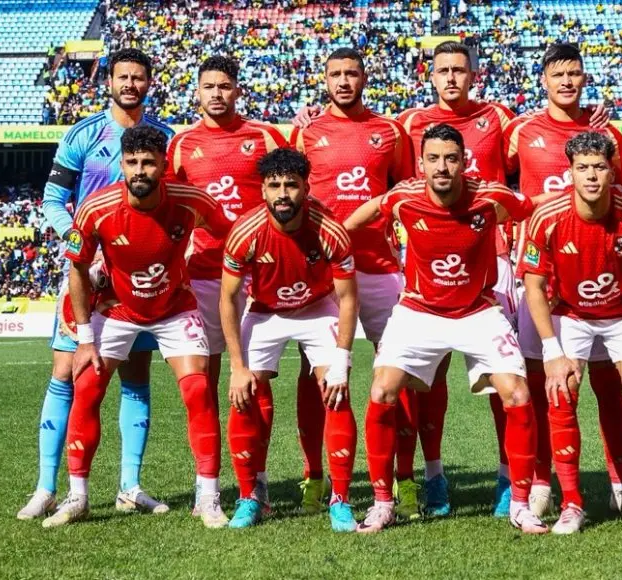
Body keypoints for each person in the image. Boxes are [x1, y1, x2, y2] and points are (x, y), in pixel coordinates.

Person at [345, 124, 544, 534]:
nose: (442, 167)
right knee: (382, 390)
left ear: (463, 162)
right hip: (419, 310)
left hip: (478, 310)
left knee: (518, 393)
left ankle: (521, 504)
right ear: (421, 164)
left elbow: (532, 207)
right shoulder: (405, 196)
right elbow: (372, 208)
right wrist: (335, 238)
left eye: (451, 158)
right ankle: (382, 502)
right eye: (433, 159)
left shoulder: (490, 196)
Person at [42, 126, 232, 528]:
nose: (140, 170)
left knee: (199, 390)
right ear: (122, 164)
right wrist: (86, 339)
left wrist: (210, 267)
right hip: (117, 310)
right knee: (87, 387)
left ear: (163, 164)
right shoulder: (95, 208)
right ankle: (78, 497)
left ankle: (208, 497)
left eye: (148, 162)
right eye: (132, 162)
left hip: (176, 308)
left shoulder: (191, 200)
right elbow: (78, 268)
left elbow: (230, 236)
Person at [19, 48, 174, 521]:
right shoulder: (83, 134)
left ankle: (130, 486)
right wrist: (82, 248)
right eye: (122, 76)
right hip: (86, 275)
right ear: (109, 81)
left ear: (149, 83)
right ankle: (46, 487)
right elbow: (53, 199)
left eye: (138, 77)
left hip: (139, 278)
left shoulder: (166, 138)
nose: (130, 84)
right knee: (66, 373)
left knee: (136, 375)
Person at [504, 43, 622, 518]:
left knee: (609, 384)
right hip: (540, 277)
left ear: (585, 78)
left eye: (574, 73)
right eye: (558, 74)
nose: (566, 81)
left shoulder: (607, 132)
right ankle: (543, 481)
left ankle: (620, 481)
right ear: (543, 79)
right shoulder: (519, 129)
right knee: (545, 381)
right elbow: (484, 169)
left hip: (602, 275)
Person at [522, 132, 622, 535]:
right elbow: (534, 286)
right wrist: (551, 351)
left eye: (600, 167)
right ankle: (572, 503)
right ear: (570, 172)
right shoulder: (548, 216)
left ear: (613, 171)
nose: (591, 175)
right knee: (561, 389)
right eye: (583, 167)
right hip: (571, 312)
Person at [287, 48, 414, 517]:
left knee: (397, 372)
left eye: (352, 73)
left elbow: (407, 192)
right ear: (324, 80)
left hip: (379, 267)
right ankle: (314, 476)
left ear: (365, 77)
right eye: (335, 74)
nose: (343, 81)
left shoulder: (390, 131)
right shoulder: (306, 130)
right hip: (322, 269)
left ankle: (404, 479)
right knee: (315, 375)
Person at [164, 55, 288, 512]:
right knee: (206, 385)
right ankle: (209, 486)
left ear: (237, 90)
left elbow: (294, 184)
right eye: (209, 86)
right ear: (197, 92)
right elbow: (168, 207)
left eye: (224, 86)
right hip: (203, 276)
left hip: (257, 274)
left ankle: (257, 480)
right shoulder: (181, 144)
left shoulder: (264, 136)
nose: (216, 93)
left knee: (255, 382)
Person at [220, 148, 359, 531]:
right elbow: (228, 298)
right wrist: (237, 367)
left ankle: (340, 499)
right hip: (266, 311)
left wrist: (342, 359)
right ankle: (250, 496)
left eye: (291, 185)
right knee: (244, 393)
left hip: (318, 308)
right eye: (274, 185)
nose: (283, 194)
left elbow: (348, 298)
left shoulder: (329, 229)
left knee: (336, 390)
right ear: (262, 190)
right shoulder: (246, 232)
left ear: (306, 188)